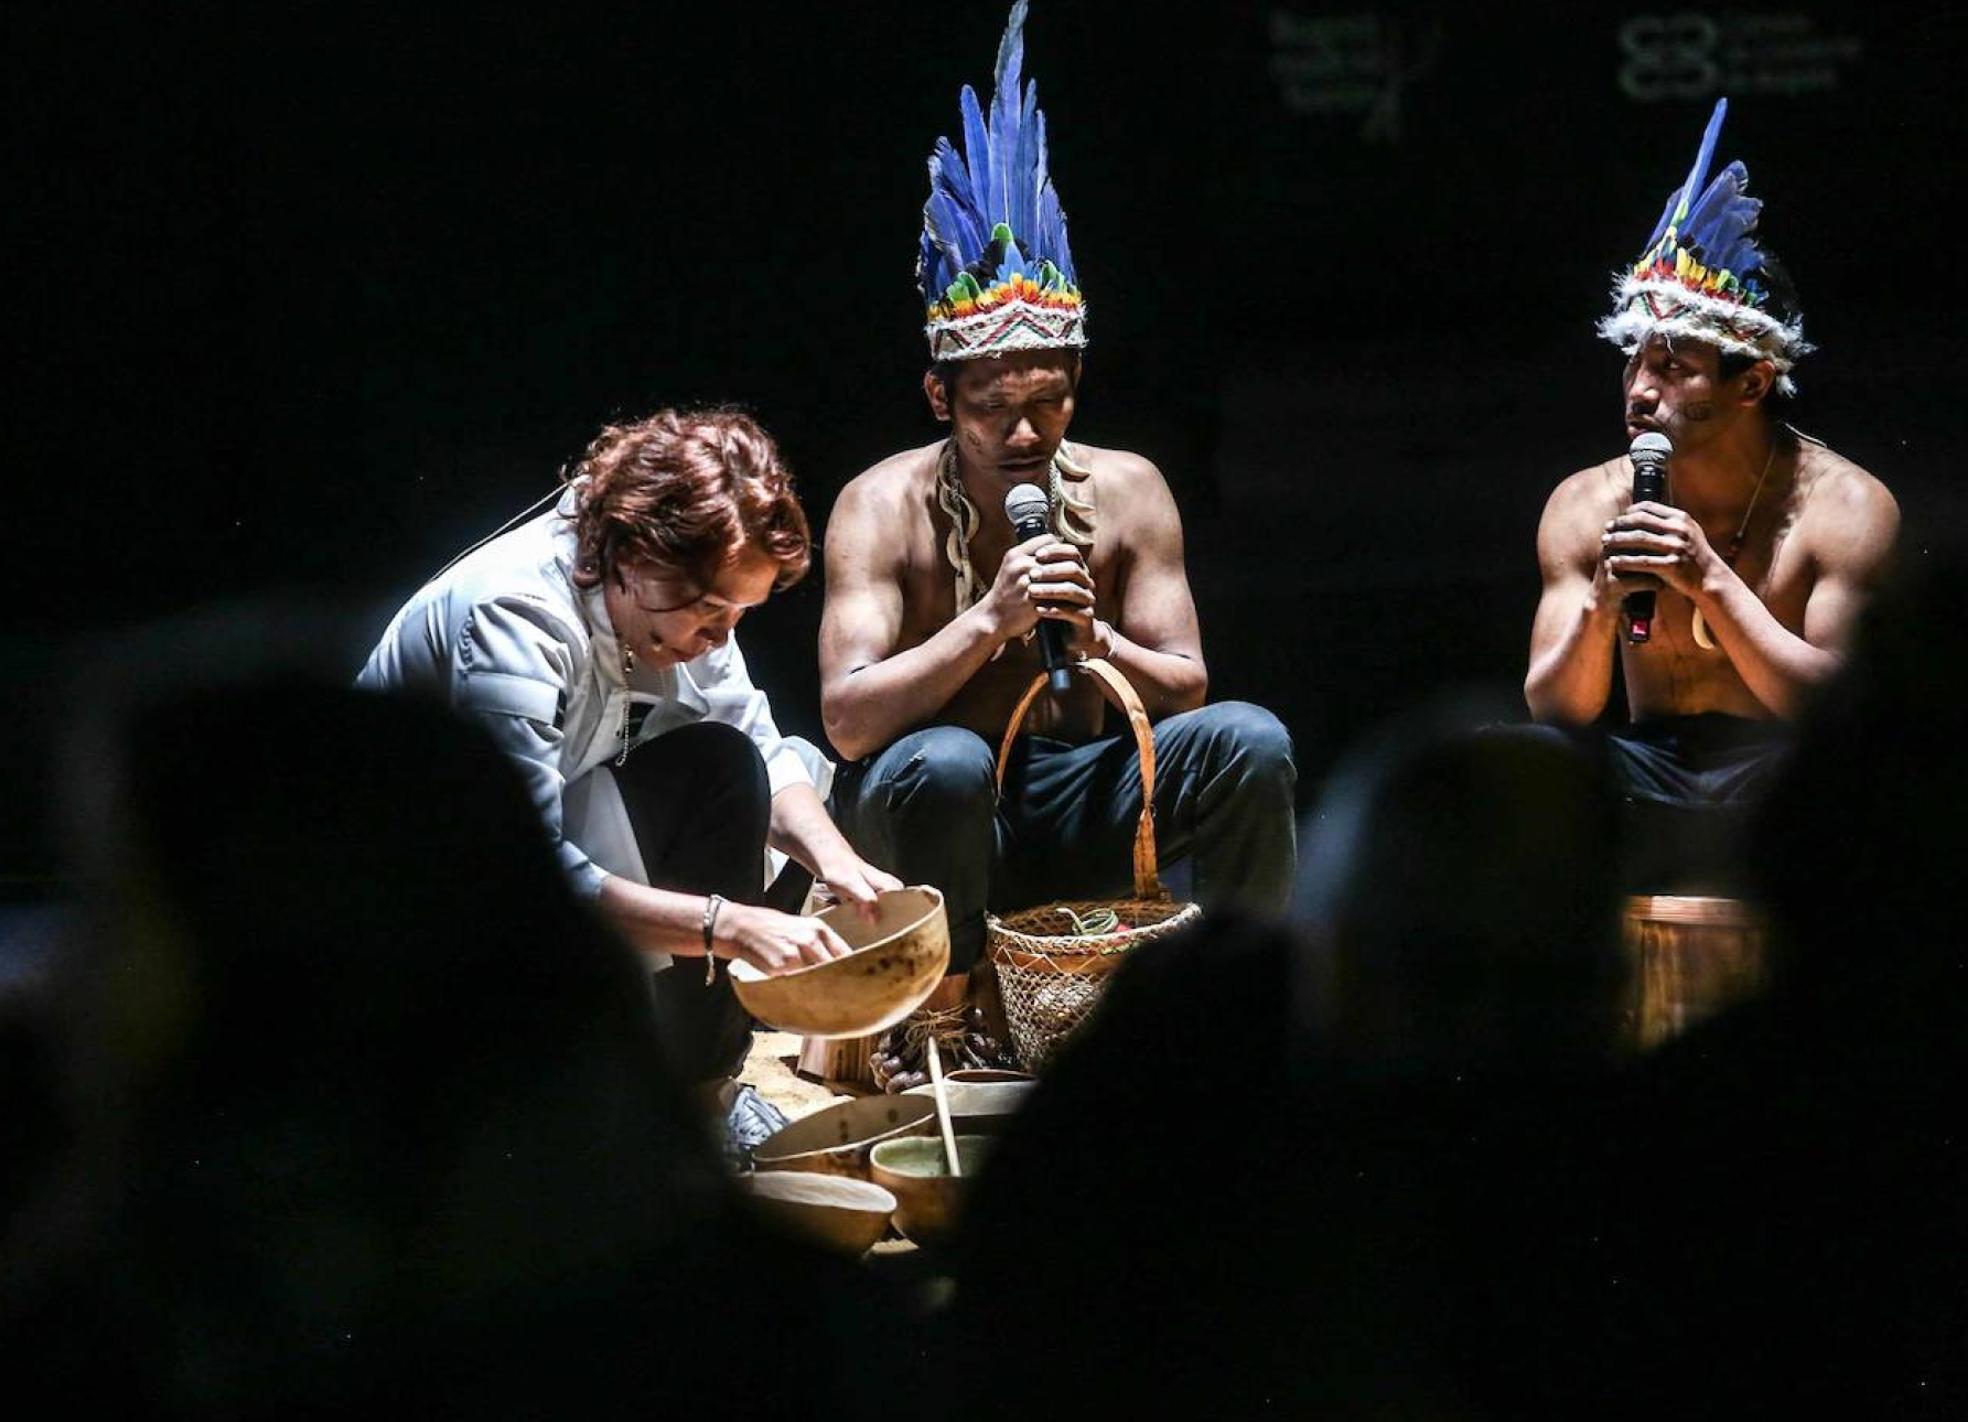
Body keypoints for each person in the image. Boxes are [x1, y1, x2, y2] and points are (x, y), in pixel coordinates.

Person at [819, 2, 1296, 1086]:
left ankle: (1248, 998)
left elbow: (1188, 683)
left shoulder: (1128, 491)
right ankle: (951, 1016)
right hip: (944, 814)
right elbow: (848, 726)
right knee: (936, 760)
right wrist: (989, 623)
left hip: (1087, 787)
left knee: (1250, 738)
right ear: (941, 394)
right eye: (997, 407)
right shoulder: (876, 506)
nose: (1028, 432)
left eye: (1052, 402)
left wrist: (1099, 642)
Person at [359, 407, 900, 1140]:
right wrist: (726, 926)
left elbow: (758, 743)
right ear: (636, 556)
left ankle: (704, 1098)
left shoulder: (675, 589)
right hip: (397, 898)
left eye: (739, 613)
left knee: (724, 766)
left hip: (506, 849)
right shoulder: (515, 616)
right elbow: (524, 863)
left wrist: (841, 865)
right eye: (712, 610)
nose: (720, 635)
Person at [1524, 98, 1897, 890]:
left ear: (1752, 382)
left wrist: (1711, 581)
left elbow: (1840, 711)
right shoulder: (1586, 504)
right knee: (1526, 767)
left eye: (1674, 369)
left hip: (1784, 771)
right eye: (1635, 363)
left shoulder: (1846, 507)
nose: (1640, 390)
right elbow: (1555, 709)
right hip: (1648, 766)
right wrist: (1600, 602)